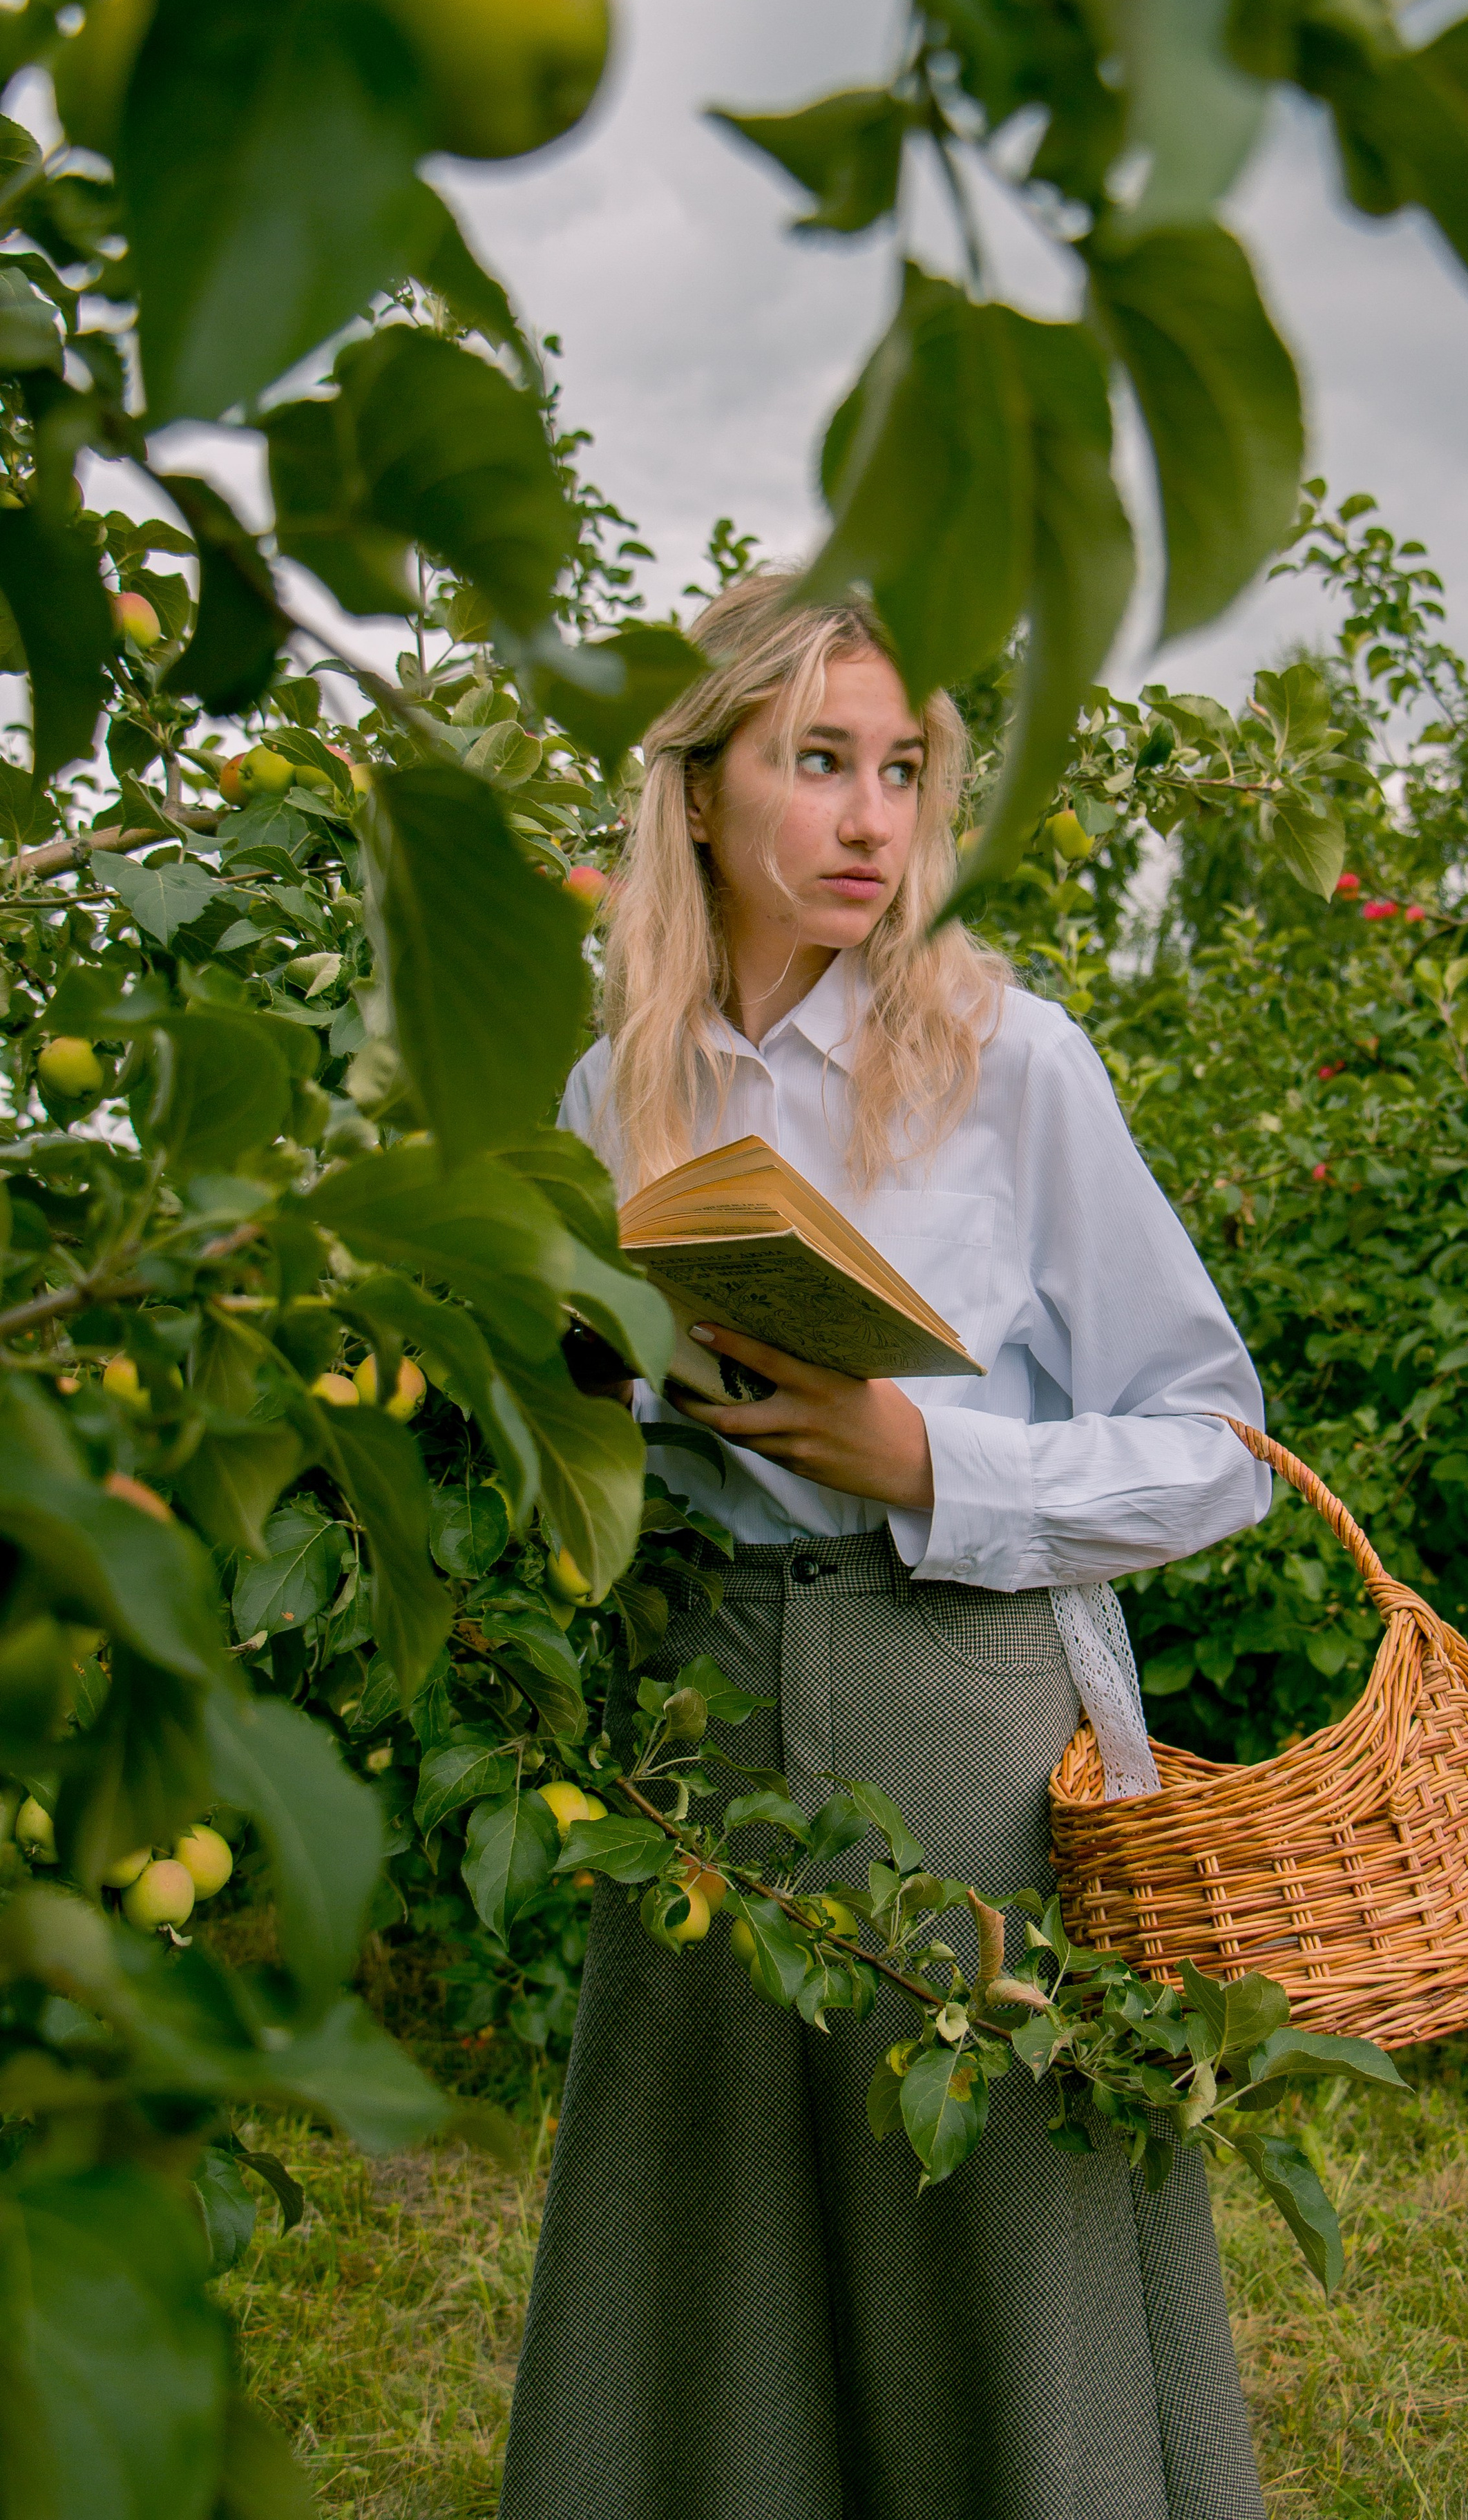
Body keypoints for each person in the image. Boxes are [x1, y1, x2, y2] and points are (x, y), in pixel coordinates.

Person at [500, 575, 1273, 2520]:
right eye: (818, 761)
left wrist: (919, 1455)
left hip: (957, 1726)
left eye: (904, 769)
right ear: (696, 793)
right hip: (690, 1737)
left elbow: (1221, 1449)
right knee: (714, 2286)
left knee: (990, 2278)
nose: (869, 818)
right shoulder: (616, 1095)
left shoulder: (1014, 1063)